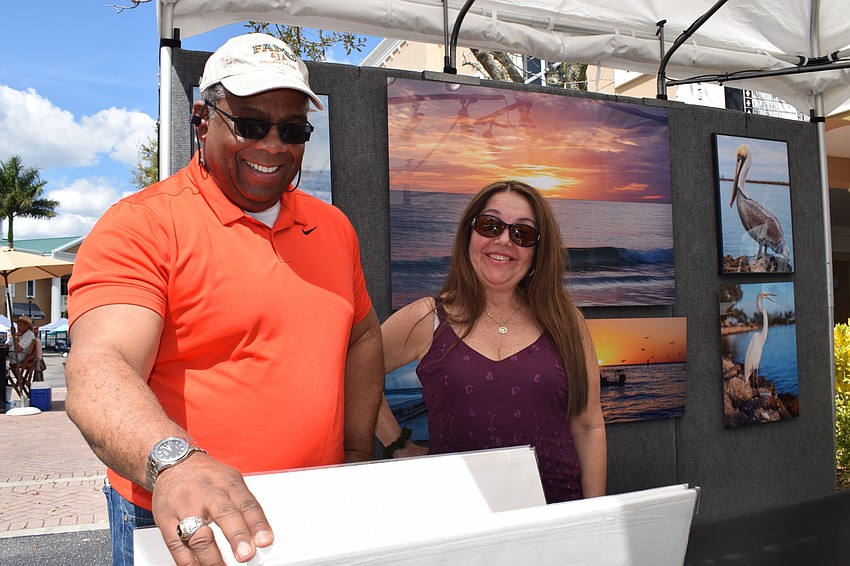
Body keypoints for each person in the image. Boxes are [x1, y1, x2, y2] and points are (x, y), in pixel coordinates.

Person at [64, 33, 384, 566]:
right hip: (186, 513)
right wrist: (176, 463)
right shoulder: (142, 225)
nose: (274, 144)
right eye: (252, 125)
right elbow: (100, 365)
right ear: (201, 117)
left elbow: (363, 334)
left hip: (318, 503)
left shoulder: (334, 227)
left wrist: (355, 451)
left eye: (293, 129)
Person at [376, 180, 607, 503]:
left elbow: (588, 425)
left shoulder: (567, 323)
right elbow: (354, 372)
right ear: (469, 234)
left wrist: (595, 516)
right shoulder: (426, 318)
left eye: (522, 233)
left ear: (538, 251)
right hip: (458, 514)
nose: (503, 240)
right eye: (490, 225)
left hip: (556, 511)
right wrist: (397, 444)